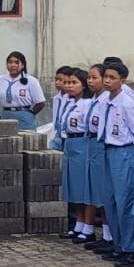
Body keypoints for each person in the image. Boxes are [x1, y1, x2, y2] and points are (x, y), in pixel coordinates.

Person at [99, 62, 134, 267]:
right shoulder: (105, 101)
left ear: (122, 80)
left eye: (112, 77)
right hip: (108, 151)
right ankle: (119, 245)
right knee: (111, 202)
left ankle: (133, 250)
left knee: (125, 202)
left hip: (124, 152)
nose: (107, 81)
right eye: (106, 77)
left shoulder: (127, 103)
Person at [80, 65, 114, 251]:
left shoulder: (107, 100)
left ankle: (110, 235)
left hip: (102, 145)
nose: (90, 81)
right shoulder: (93, 99)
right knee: (93, 190)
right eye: (89, 77)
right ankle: (103, 234)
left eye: (94, 77)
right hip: (91, 143)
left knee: (103, 192)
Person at [56, 68, 93, 242]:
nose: (69, 86)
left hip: (82, 143)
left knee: (84, 186)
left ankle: (88, 226)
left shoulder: (88, 104)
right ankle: (78, 223)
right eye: (67, 82)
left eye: (74, 83)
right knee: (73, 186)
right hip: (70, 143)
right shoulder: (70, 102)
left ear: (84, 85)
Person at [0, 51, 43, 131]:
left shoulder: (31, 80)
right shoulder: (1, 79)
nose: (13, 65)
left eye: (16, 62)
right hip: (6, 115)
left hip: (24, 116)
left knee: (25, 141)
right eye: (10, 62)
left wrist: (30, 114)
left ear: (22, 65)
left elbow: (41, 102)